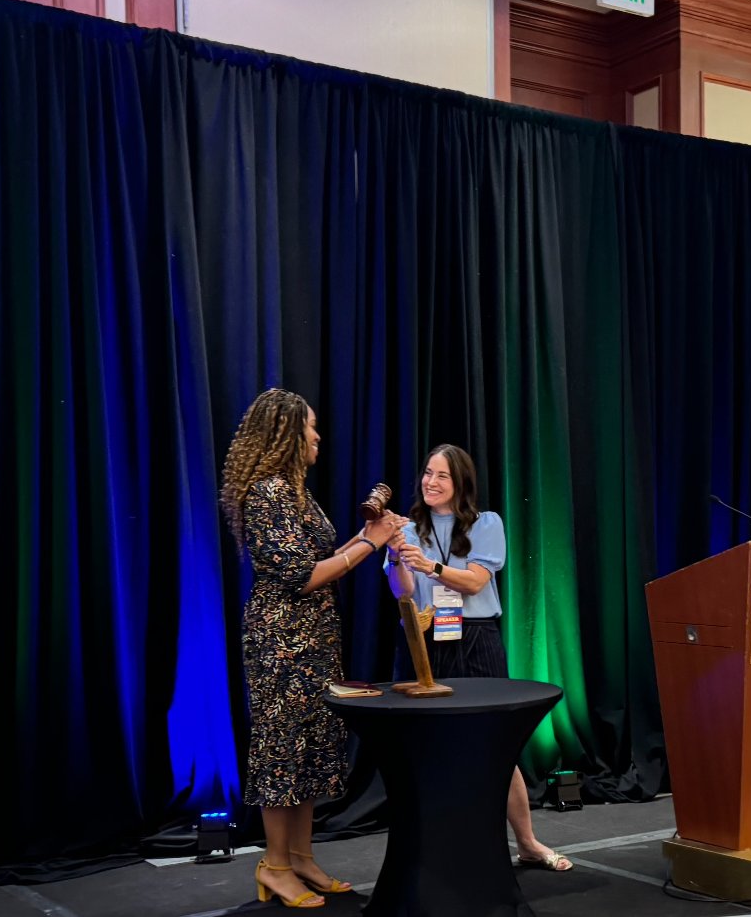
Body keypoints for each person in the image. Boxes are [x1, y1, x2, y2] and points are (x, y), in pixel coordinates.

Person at [222, 388, 408, 909]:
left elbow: (324, 558)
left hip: (314, 637)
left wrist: (372, 534)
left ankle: (301, 857)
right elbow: (303, 576)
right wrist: (369, 545)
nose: (317, 436)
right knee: (283, 749)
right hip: (281, 640)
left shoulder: (295, 492)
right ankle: (274, 865)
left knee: (308, 746)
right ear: (286, 433)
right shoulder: (266, 492)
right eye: (310, 427)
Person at [384, 443, 574, 873]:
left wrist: (430, 566)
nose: (430, 482)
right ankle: (440, 849)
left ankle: (527, 842)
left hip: (476, 637)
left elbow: (474, 583)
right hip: (425, 639)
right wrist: (398, 557)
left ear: (461, 483)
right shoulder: (408, 527)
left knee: (496, 743)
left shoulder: (486, 523)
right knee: (428, 748)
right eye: (427, 473)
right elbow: (403, 592)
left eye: (442, 476)